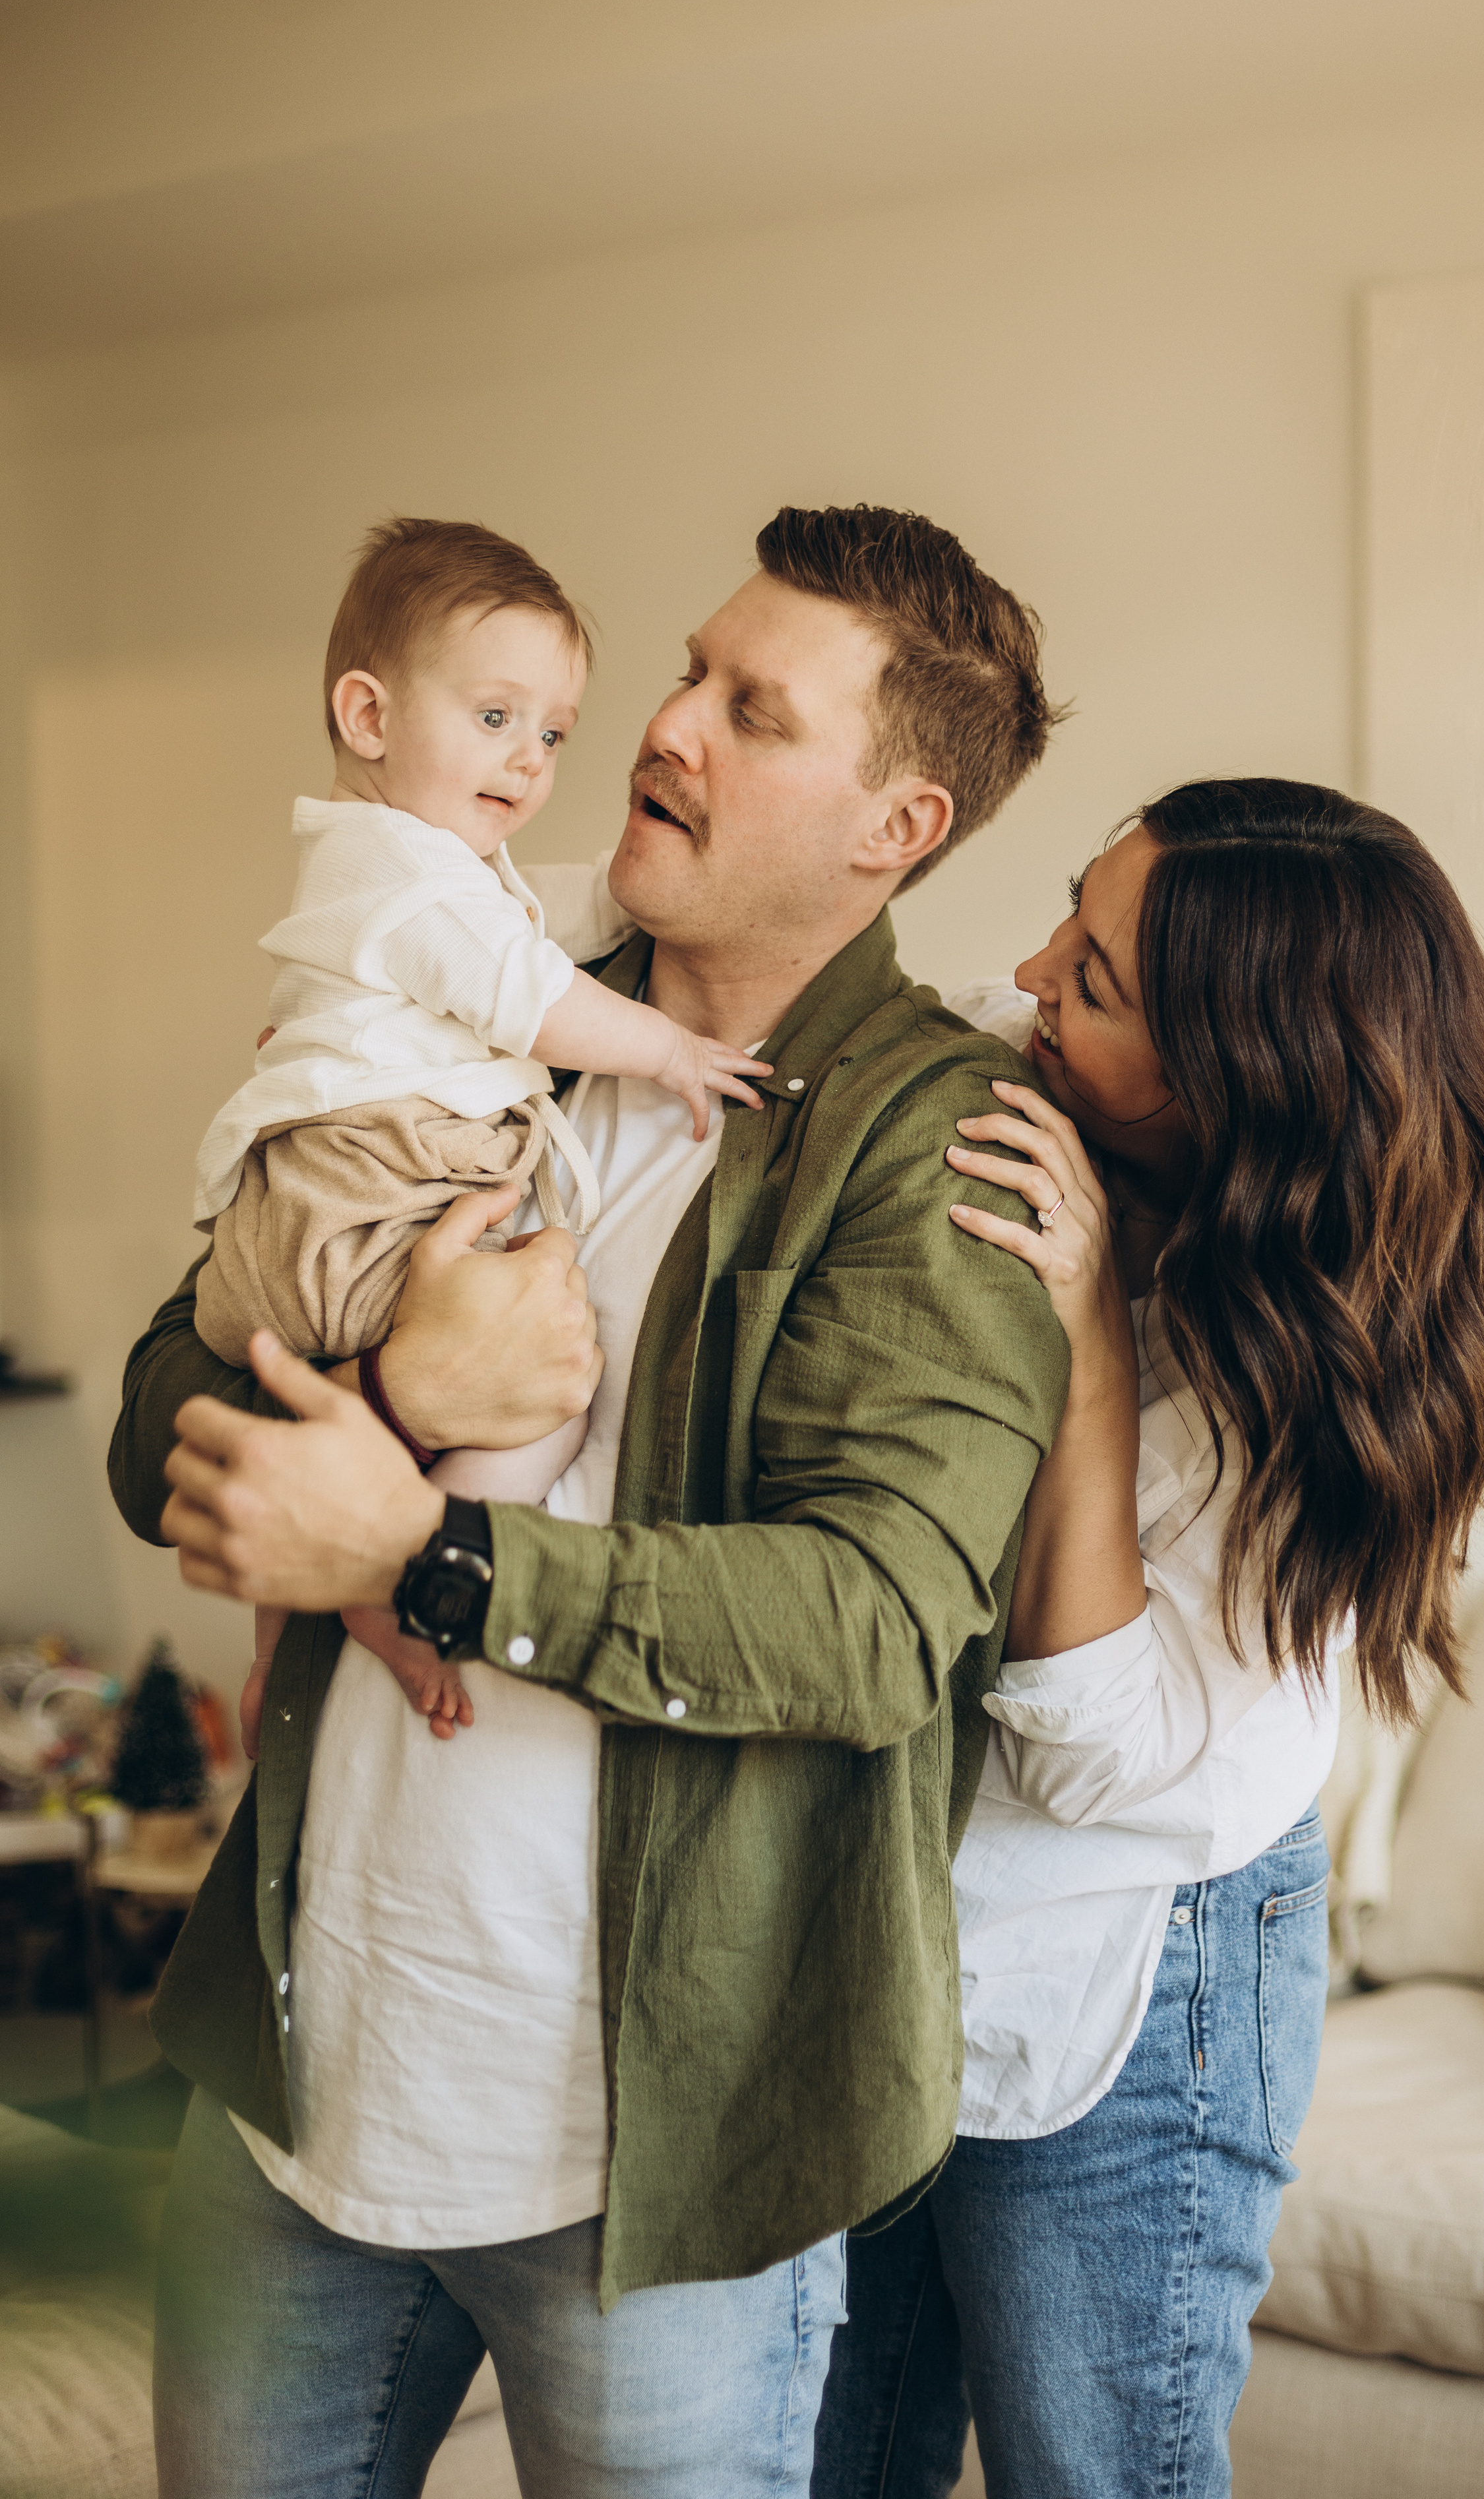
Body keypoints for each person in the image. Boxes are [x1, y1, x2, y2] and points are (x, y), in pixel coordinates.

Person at [108, 504, 1073, 2499]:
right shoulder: (476, 979)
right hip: (299, 2080)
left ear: (894, 824)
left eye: (753, 708)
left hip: (658, 2170)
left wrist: (427, 1552)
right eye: (690, 672)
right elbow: (159, 1409)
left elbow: (874, 1620)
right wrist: (394, 1393)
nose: (667, 725)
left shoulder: (937, 1141)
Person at [812, 778, 1484, 2499]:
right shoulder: (1034, 1068)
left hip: (1150, 1967)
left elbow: (1092, 1752)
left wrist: (1086, 1346)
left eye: (1094, 979)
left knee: (1101, 2476)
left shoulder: (1325, 1363)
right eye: (1074, 918)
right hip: (908, 1927)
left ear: (1238, 1080)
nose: (1027, 974)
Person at [190, 516, 768, 1745]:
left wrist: (652, 888)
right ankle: (401, 1577)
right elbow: (530, 996)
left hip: (310, 1207)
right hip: (373, 1192)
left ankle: (273, 1645)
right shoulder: (412, 877)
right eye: (496, 718)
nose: (530, 760)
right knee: (546, 1384)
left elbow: (538, 928)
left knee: (297, 1420)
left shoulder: (408, 864)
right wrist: (668, 1048)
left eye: (553, 732)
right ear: (369, 715)